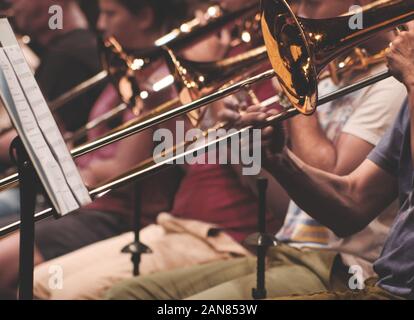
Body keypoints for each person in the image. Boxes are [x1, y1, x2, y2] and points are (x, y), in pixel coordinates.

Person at [104, 0, 409, 300]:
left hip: (341, 265)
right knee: (126, 294)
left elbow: (335, 180)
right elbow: (320, 203)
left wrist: (294, 94)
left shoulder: (394, 86)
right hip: (287, 247)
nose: (299, 14)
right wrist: (258, 152)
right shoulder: (336, 79)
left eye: (312, 4)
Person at [31, 0, 290, 300]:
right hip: (177, 222)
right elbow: (182, 152)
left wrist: (211, 90)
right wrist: (158, 105)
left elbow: (255, 174)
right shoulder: (218, 52)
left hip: (227, 236)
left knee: (68, 292)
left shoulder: (268, 66)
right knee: (39, 282)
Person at [0, 0, 190, 300]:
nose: (100, 24)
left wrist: (76, 163)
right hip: (85, 206)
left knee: (5, 262)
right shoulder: (125, 71)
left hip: (116, 217)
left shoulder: (163, 83)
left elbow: (120, 172)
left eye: (110, 13)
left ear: (146, 17)